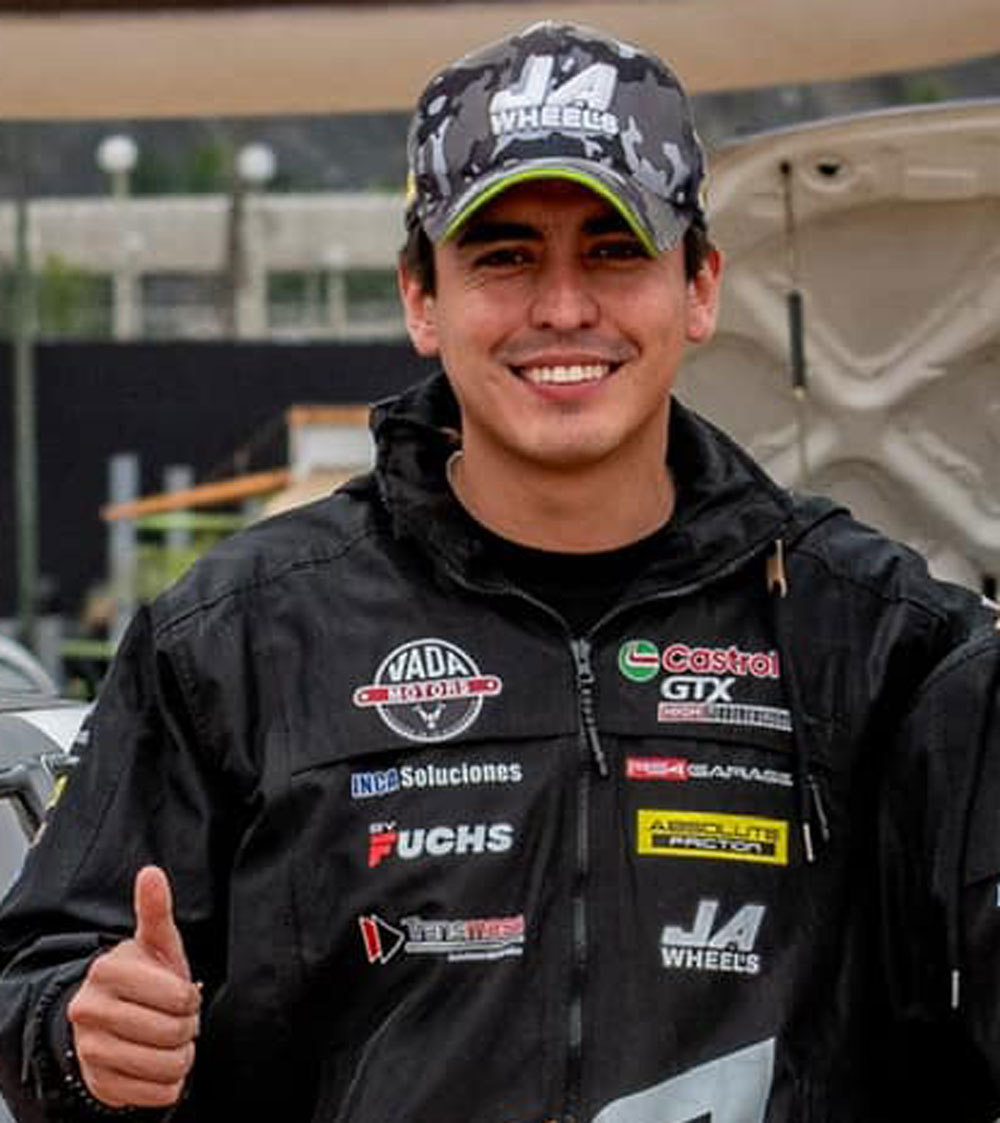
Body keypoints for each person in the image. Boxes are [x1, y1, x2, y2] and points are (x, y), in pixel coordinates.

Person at [0, 19, 997, 1123]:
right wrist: (80, 1033)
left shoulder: (884, 642)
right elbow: (39, 980)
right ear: (421, 297)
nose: (562, 308)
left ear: (700, 286)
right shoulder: (238, 636)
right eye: (505, 256)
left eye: (615, 250)